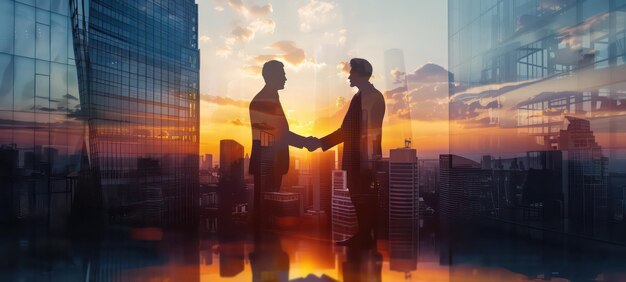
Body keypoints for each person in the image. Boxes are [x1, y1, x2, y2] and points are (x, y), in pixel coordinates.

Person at [309, 58, 385, 247]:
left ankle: (366, 238)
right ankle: (364, 235)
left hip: (363, 158)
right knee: (357, 196)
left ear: (360, 74)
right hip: (357, 157)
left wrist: (319, 143)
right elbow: (349, 129)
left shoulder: (372, 97)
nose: (349, 75)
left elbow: (359, 131)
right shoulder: (360, 97)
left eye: (352, 72)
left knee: (363, 196)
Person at [249, 60, 317, 226]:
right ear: (272, 76)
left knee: (268, 208)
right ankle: (264, 246)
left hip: (270, 163)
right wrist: (305, 142)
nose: (286, 78)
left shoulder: (270, 99)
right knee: (266, 209)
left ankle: (268, 245)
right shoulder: (263, 101)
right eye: (282, 74)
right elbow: (279, 134)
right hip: (267, 164)